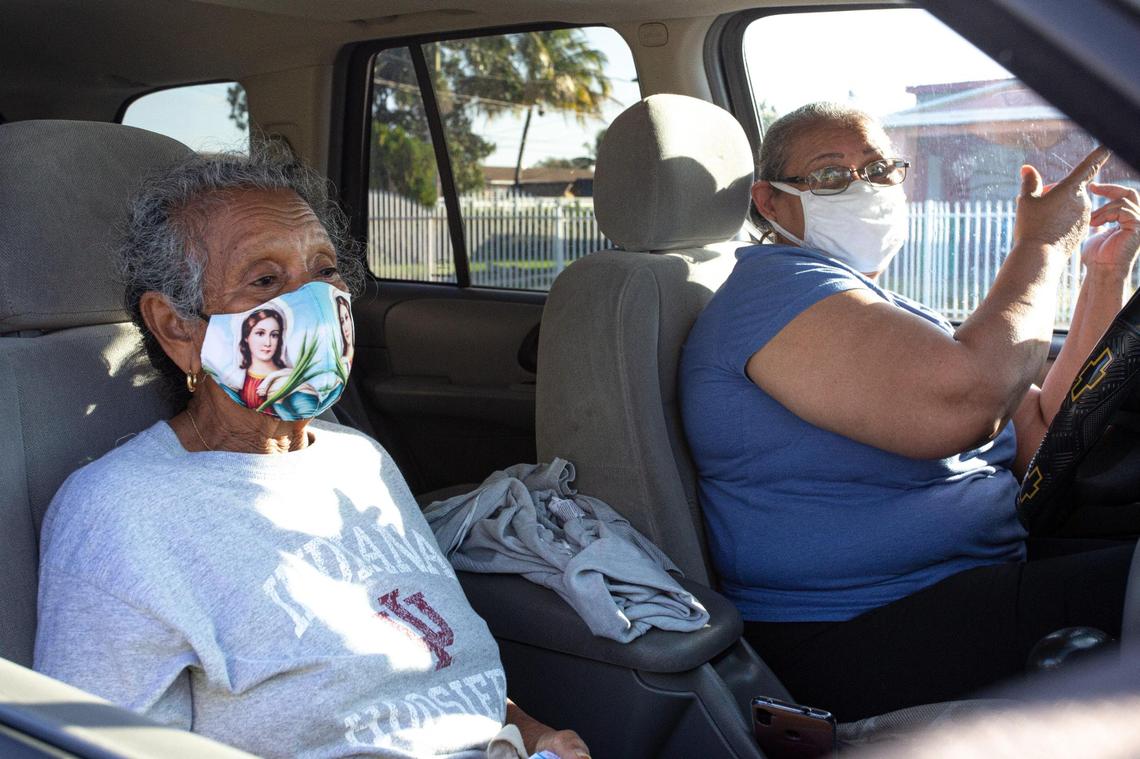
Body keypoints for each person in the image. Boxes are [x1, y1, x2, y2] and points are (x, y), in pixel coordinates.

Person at [34, 150, 590, 759]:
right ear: (177, 328)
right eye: (266, 280)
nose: (318, 303)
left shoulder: (359, 459)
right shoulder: (121, 514)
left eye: (324, 269)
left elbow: (437, 664)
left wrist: (531, 732)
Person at [679, 101, 1140, 721]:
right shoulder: (777, 290)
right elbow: (968, 404)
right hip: (855, 627)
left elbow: (1045, 435)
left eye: (878, 169)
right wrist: (1041, 244)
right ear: (770, 200)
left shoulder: (869, 302)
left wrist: (1102, 275)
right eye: (830, 174)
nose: (863, 187)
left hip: (961, 579)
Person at [236, 307, 287, 408]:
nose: (268, 343)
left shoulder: (286, 379)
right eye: (260, 333)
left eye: (274, 335)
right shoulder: (238, 379)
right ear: (246, 336)